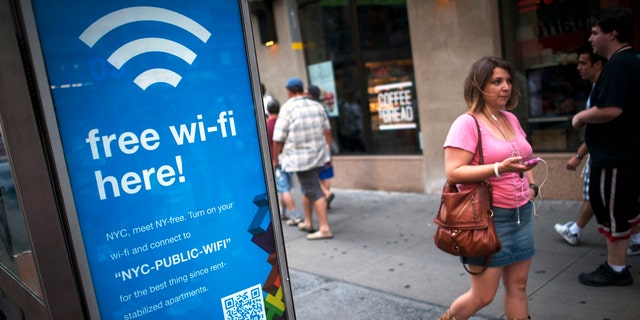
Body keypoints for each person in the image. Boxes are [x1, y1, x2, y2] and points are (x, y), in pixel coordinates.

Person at [439, 56, 538, 320]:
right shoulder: (466, 123)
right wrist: (499, 169)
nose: (505, 87)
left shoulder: (509, 119)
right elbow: (453, 171)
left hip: (521, 214)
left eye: (508, 81)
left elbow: (524, 155)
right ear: (479, 85)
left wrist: (531, 185)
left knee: (518, 287)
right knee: (483, 295)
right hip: (487, 219)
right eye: (496, 81)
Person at [571, 6, 640, 286]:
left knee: (612, 213)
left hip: (614, 157)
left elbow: (611, 109)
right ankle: (616, 265)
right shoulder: (630, 60)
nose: (591, 38)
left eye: (596, 32)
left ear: (613, 33)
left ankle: (616, 269)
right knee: (620, 210)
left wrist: (580, 116)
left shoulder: (620, 64)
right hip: (623, 154)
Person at [554, 49, 606, 246]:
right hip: (602, 152)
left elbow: (599, 130)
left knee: (596, 195)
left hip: (604, 154)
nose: (579, 67)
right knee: (604, 197)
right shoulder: (597, 88)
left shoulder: (603, 89)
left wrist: (579, 154)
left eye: (584, 63)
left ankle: (575, 230)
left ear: (598, 64)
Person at [272, 77, 334, 240]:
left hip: (301, 159)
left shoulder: (287, 108)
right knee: (307, 188)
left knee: (314, 190)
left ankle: (324, 228)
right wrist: (328, 152)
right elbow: (328, 131)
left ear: (289, 91)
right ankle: (308, 222)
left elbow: (278, 138)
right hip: (319, 155)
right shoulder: (317, 105)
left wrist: (275, 158)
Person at [265, 99, 303, 226]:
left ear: (268, 110)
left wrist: (274, 160)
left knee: (284, 189)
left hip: (277, 161)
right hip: (288, 159)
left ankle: (295, 215)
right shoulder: (283, 122)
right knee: (284, 187)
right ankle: (282, 212)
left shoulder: (267, 124)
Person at [306, 85, 336, 209]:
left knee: (312, 175)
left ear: (310, 95)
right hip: (324, 148)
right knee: (325, 174)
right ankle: (326, 197)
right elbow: (328, 131)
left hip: (314, 148)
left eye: (306, 93)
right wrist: (329, 148)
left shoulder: (310, 109)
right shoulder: (322, 108)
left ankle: (325, 195)